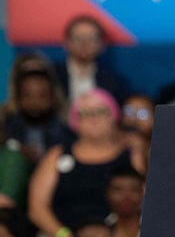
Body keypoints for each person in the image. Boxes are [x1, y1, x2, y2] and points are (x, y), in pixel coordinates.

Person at [27, 88, 145, 236]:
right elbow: (37, 208)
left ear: (114, 115)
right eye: (85, 114)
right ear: (75, 121)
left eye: (100, 111)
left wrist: (139, 153)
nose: (93, 118)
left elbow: (145, 198)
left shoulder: (131, 152)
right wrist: (64, 235)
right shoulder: (57, 155)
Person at [4, 69, 75, 165]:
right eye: (27, 95)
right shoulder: (7, 127)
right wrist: (18, 149)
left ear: (52, 98)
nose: (34, 102)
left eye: (41, 96)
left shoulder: (64, 134)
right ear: (19, 98)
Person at [55, 15, 129, 105]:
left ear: (102, 44)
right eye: (78, 38)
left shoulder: (113, 81)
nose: (84, 44)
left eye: (91, 39)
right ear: (66, 42)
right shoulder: (53, 74)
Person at [104, 166, 144, 237]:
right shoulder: (100, 229)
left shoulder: (157, 226)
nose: (126, 196)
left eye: (134, 189)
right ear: (108, 193)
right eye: (118, 189)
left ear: (142, 193)